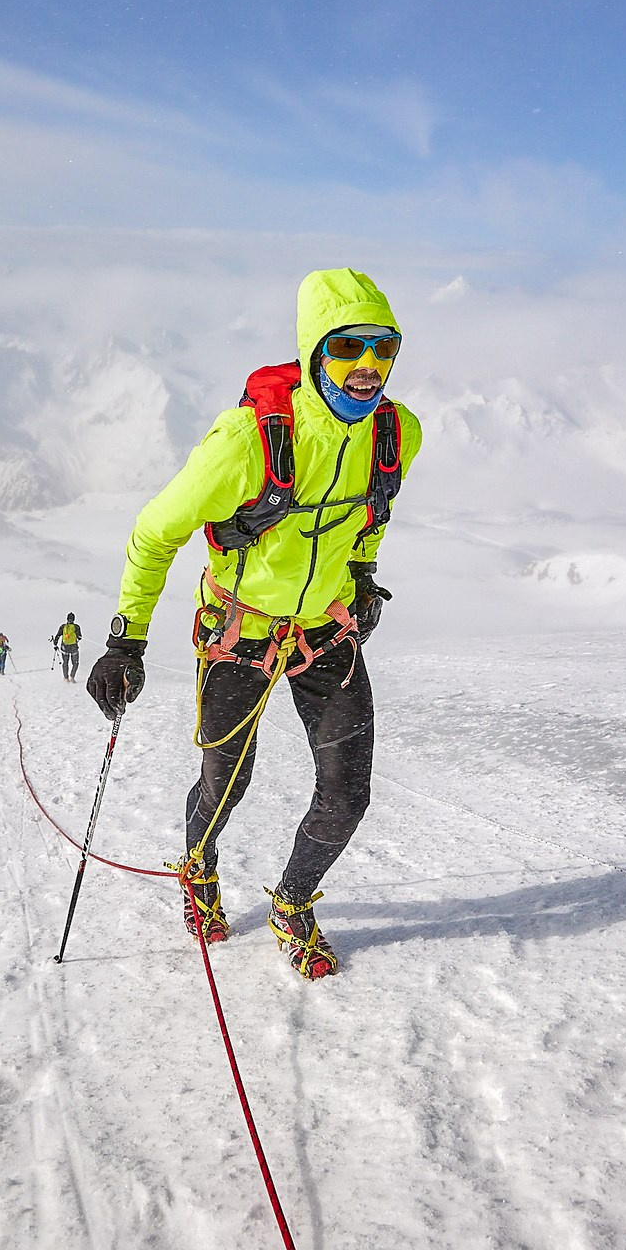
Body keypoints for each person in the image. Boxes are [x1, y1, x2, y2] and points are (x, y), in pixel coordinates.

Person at [88, 268, 422, 980]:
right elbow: (154, 533)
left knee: (347, 794)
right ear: (313, 352)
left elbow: (372, 515)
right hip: (239, 634)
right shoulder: (248, 440)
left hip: (324, 636)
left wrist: (360, 577)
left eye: (383, 348)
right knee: (224, 784)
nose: (367, 366)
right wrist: (126, 640)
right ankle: (198, 868)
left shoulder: (396, 433)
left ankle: (292, 903)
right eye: (348, 348)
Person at [52, 612, 82, 681]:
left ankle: (65, 678)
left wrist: (55, 643)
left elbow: (58, 635)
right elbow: (80, 637)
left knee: (65, 663)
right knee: (75, 663)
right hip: (74, 647)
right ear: (74, 619)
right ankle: (72, 676)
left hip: (64, 647)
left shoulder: (63, 626)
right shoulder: (76, 627)